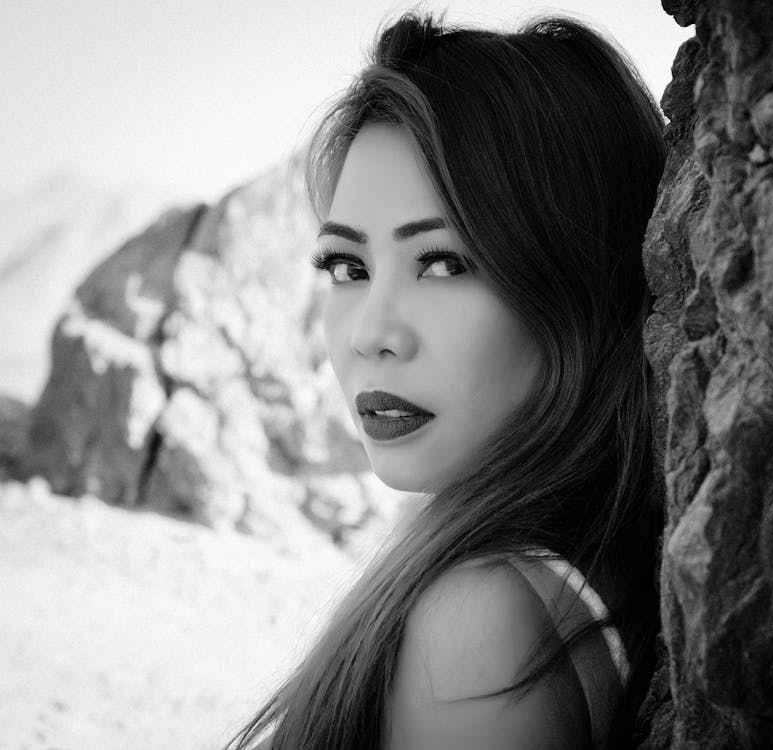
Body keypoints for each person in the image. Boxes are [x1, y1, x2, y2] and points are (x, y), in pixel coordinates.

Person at [229, 10, 666, 750]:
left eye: (444, 263)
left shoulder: (484, 624)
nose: (371, 333)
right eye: (349, 267)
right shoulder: (595, 569)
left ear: (580, 281)